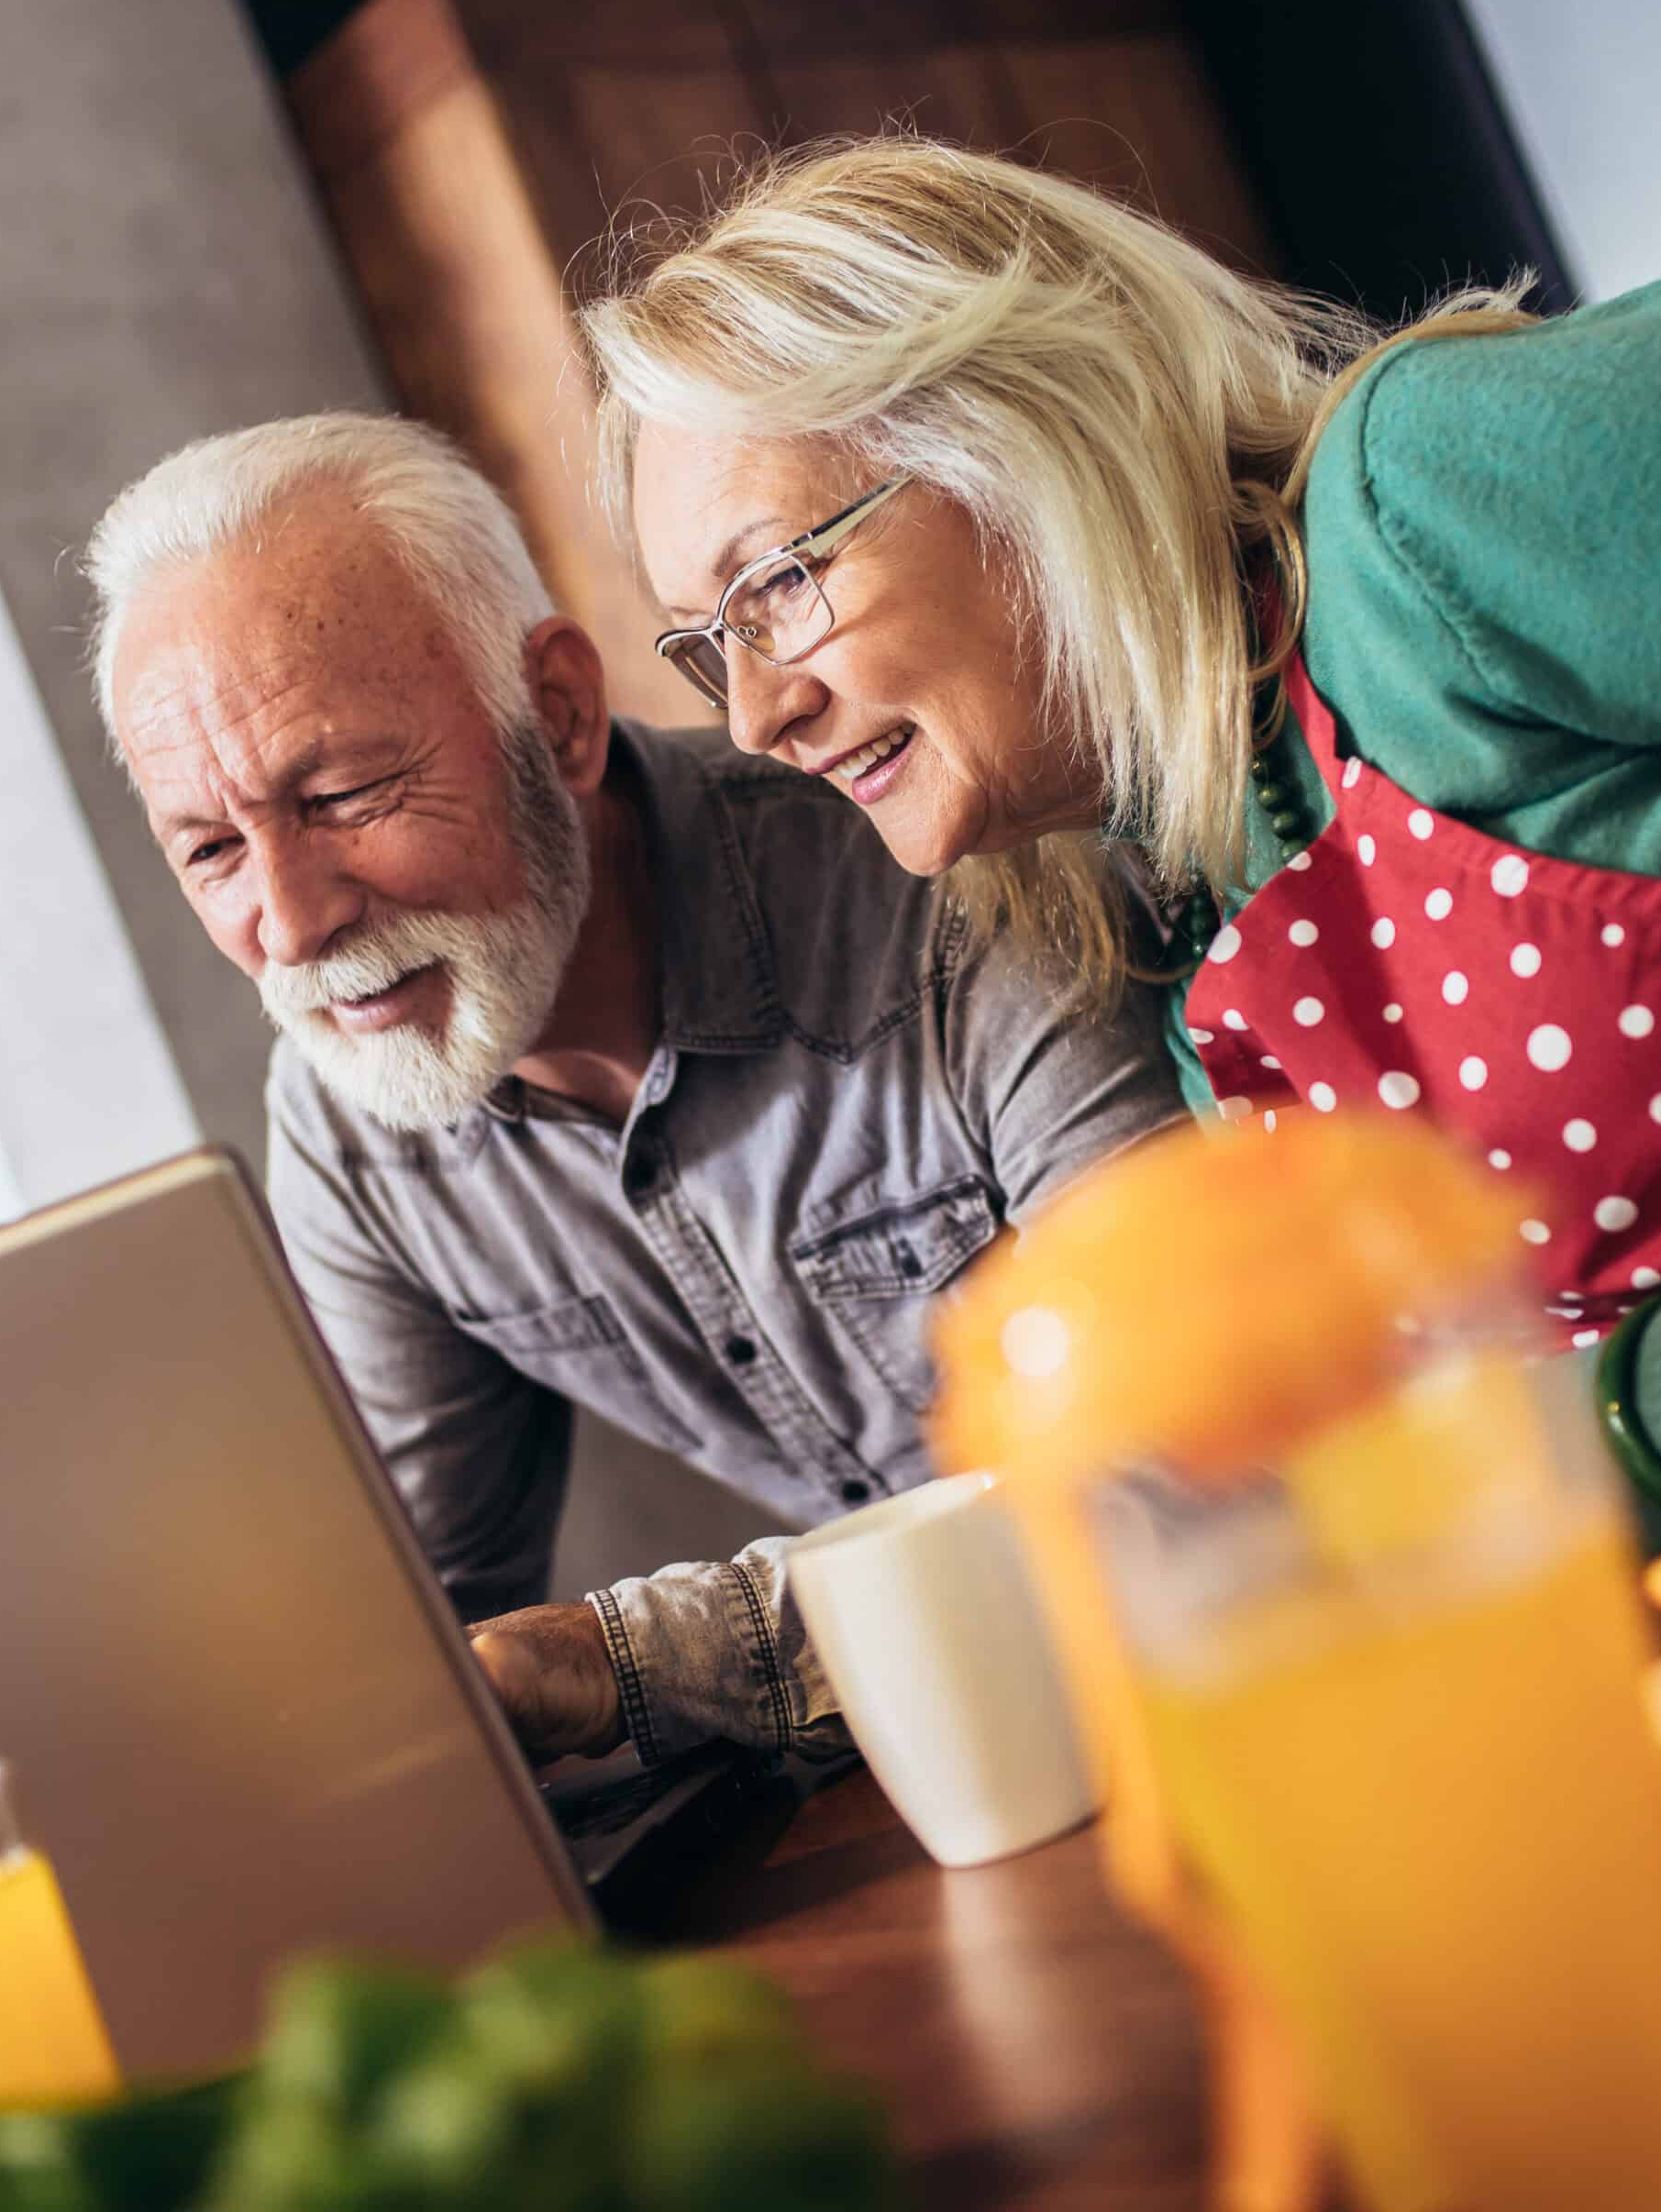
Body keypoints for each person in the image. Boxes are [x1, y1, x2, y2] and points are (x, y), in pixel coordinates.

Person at [582, 136, 1661, 1530]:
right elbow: (1440, 1493)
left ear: (1016, 438)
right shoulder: (1204, 951)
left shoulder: (1435, 496)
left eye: (775, 584)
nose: (756, 716)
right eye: (709, 646)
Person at [84, 413, 1185, 1762]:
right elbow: (424, 1643)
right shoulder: (348, 1125)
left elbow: (1188, 1456)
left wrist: (637, 1661)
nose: (291, 922)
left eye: (348, 795)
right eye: (207, 849)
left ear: (555, 716)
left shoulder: (948, 879)